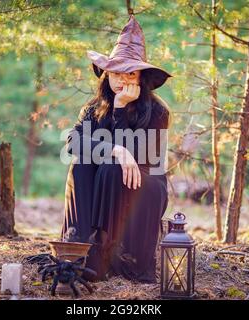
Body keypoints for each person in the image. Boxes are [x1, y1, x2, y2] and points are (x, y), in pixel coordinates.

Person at [61, 14, 172, 283]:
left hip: (143, 185)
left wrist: (121, 110)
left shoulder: (157, 111)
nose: (122, 79)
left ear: (141, 78)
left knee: (112, 171)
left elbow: (141, 159)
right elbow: (73, 142)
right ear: (106, 73)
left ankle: (119, 258)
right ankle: (79, 250)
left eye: (130, 72)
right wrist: (115, 150)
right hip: (102, 184)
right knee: (83, 164)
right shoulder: (92, 108)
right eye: (116, 71)